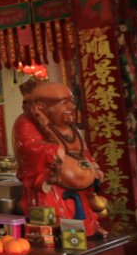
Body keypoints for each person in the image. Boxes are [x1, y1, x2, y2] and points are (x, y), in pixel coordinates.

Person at [14, 80, 107, 236]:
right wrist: (55, 150)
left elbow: (82, 149)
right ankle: (65, 234)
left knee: (82, 205)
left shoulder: (68, 125)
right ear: (41, 108)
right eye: (65, 103)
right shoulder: (25, 122)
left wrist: (93, 166)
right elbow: (30, 148)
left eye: (71, 102)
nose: (71, 107)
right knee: (56, 208)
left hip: (78, 182)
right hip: (52, 181)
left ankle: (88, 228)